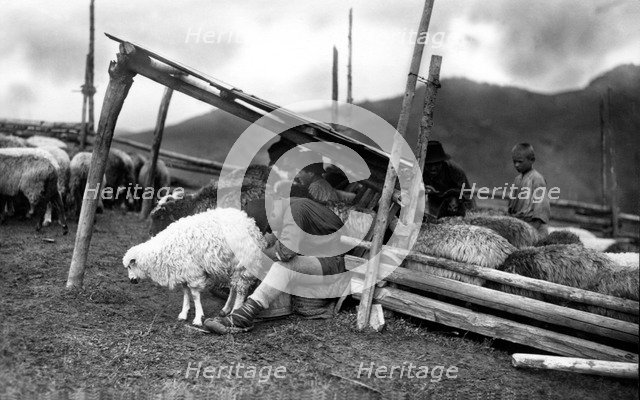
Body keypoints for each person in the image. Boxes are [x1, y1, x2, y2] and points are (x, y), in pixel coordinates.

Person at [204, 197, 349, 334]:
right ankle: (243, 302)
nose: (270, 231)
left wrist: (253, 256)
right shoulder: (285, 208)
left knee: (285, 266)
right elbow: (269, 240)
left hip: (334, 262)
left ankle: (244, 316)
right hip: (319, 256)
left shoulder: (295, 211)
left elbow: (285, 252)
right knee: (267, 255)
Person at [422, 141, 474, 218]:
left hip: (456, 203)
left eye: (436, 164)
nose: (433, 168)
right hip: (434, 201)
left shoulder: (455, 171)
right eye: (429, 164)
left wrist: (469, 214)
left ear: (442, 162)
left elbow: (467, 194)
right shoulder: (420, 171)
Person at [507, 143, 550, 236]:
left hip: (534, 228)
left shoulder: (537, 179)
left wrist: (530, 232)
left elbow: (541, 211)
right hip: (519, 227)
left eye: (520, 161)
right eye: (514, 162)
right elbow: (511, 207)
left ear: (532, 160)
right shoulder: (517, 180)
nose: (516, 165)